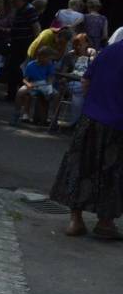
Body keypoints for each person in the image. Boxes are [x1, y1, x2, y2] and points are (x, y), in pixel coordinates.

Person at [50, 39, 123, 240]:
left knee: (81, 166)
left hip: (91, 118)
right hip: (118, 123)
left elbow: (85, 81)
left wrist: (95, 102)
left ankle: (75, 219)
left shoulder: (108, 52)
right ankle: (105, 222)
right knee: (112, 172)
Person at [50, 32, 96, 132]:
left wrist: (92, 57)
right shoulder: (69, 56)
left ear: (87, 44)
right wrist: (66, 78)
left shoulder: (91, 55)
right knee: (80, 91)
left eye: (80, 44)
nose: (77, 46)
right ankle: (75, 123)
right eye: (75, 43)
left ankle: (79, 124)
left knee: (85, 91)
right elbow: (63, 73)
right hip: (72, 83)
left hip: (86, 85)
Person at [6, 0, 42, 101]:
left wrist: (35, 45)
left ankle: (18, 95)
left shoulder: (29, 10)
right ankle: (12, 94)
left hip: (24, 45)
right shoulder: (19, 10)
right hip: (16, 44)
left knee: (18, 69)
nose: (13, 2)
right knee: (12, 68)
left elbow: (36, 28)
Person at [14, 46, 58, 126]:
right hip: (33, 83)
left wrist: (49, 85)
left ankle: (53, 117)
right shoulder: (31, 65)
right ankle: (17, 113)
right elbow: (25, 79)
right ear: (41, 56)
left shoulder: (49, 64)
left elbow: (51, 77)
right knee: (20, 92)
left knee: (56, 94)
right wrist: (28, 84)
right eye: (48, 58)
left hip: (44, 84)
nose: (49, 60)